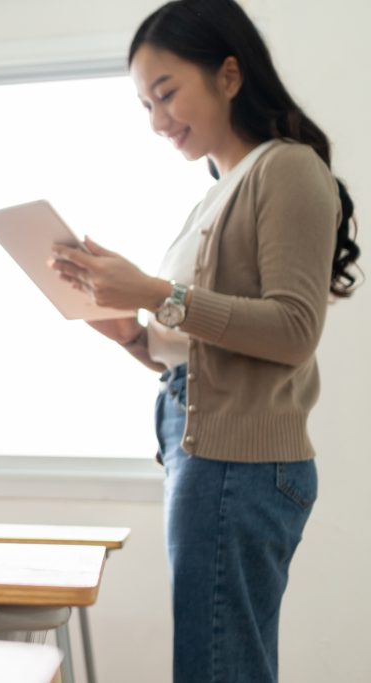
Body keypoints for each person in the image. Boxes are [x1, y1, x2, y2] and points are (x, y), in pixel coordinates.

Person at [49, 1, 360, 681]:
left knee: (218, 667)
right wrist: (128, 328)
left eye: (166, 94)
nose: (158, 121)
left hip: (235, 466)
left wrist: (153, 291)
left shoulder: (287, 169)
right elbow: (195, 345)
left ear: (228, 74)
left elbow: (293, 329)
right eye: (145, 105)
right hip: (206, 459)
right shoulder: (214, 195)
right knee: (217, 662)